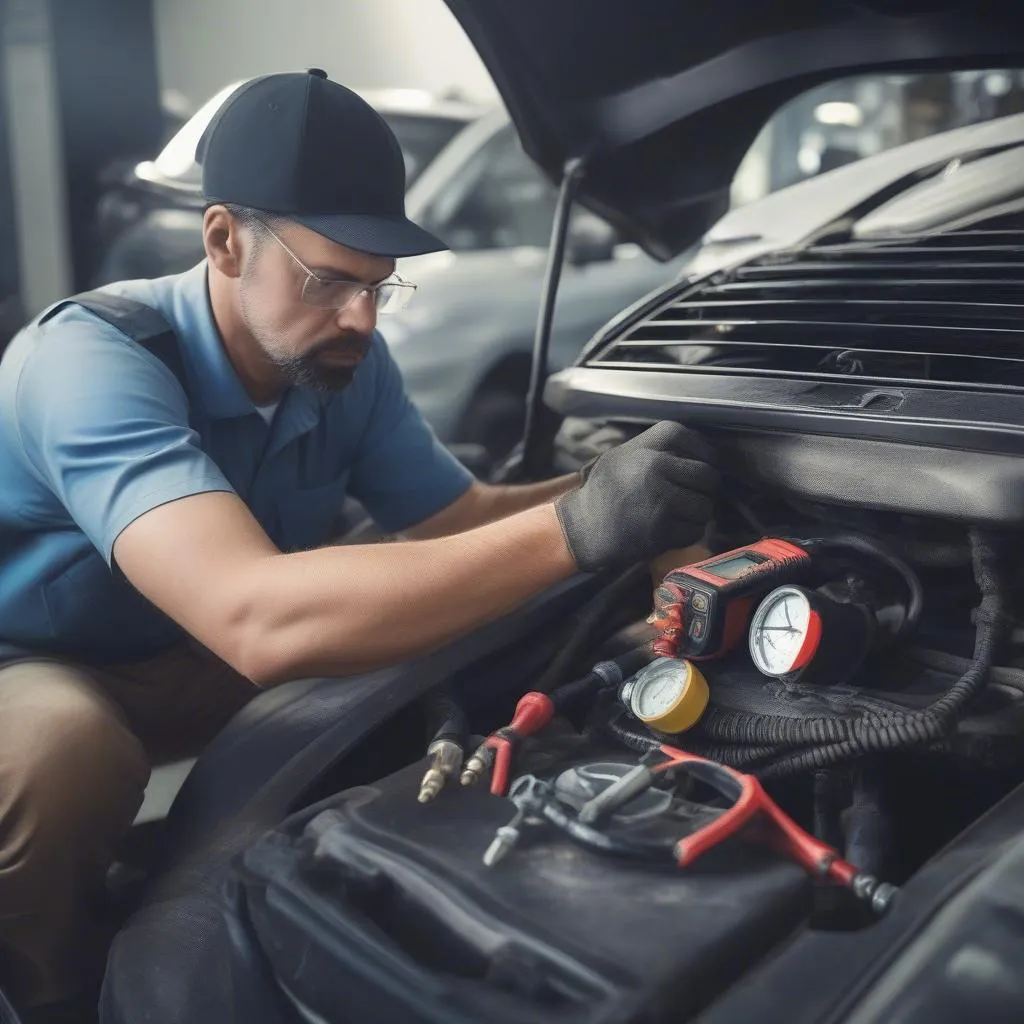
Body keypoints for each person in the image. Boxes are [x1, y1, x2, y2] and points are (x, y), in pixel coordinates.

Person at [0, 69, 719, 1021]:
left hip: (208, 656)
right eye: (330, 280)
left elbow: (457, 524)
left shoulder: (340, 360)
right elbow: (254, 618)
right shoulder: (90, 361)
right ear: (222, 240)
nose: (365, 320)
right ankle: (64, 994)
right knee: (63, 754)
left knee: (436, 658)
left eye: (380, 284)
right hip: (50, 662)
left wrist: (620, 483)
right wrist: (580, 529)